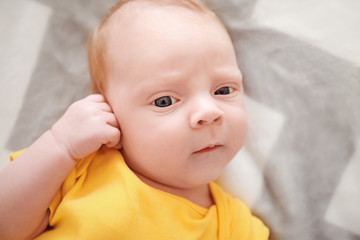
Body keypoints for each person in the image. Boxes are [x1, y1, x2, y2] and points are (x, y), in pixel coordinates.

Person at [0, 0, 270, 239]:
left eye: (223, 90)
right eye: (164, 101)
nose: (210, 112)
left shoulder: (235, 225)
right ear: (110, 114)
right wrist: (60, 144)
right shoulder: (77, 167)